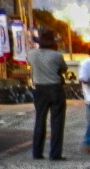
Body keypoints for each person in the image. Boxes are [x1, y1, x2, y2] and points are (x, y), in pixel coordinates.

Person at [28, 30, 69, 160]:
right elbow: (63, 68)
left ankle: (37, 152)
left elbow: (30, 65)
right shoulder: (57, 55)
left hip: (39, 89)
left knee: (40, 120)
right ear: (52, 43)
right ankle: (55, 153)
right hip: (55, 89)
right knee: (57, 121)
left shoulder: (31, 54)